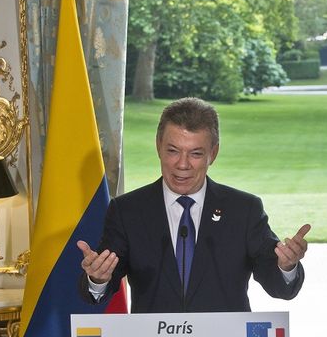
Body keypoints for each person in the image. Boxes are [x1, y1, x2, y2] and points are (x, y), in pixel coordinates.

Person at [78, 97, 310, 313]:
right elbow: (100, 288)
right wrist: (98, 278)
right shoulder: (127, 210)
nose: (182, 164)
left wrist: (286, 266)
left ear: (213, 153)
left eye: (196, 154)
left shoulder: (244, 210)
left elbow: (279, 285)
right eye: (173, 151)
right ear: (158, 146)